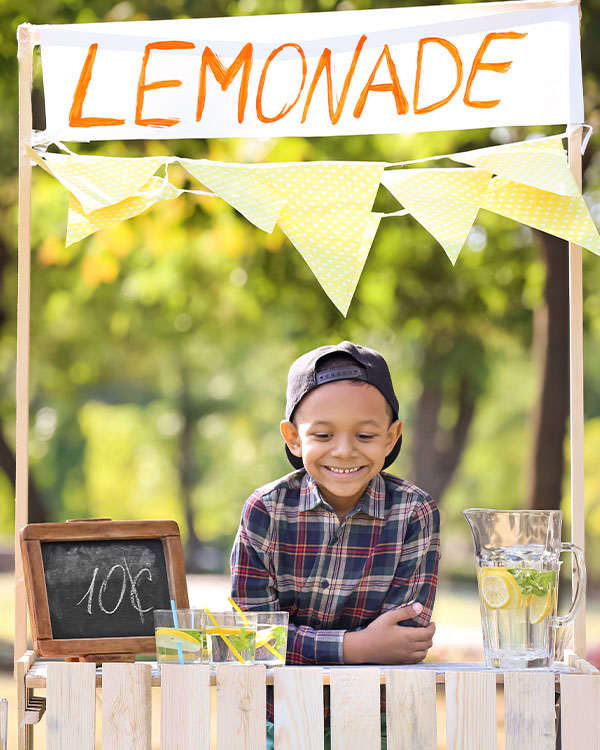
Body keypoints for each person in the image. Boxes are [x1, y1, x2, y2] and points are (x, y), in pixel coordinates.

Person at [230, 341, 440, 749]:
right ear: (292, 438)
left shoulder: (414, 512)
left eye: (365, 434)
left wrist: (294, 641)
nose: (344, 450)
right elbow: (251, 638)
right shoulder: (267, 511)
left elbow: (404, 638)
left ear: (391, 436)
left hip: (377, 717)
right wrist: (356, 645)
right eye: (323, 434)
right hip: (280, 715)